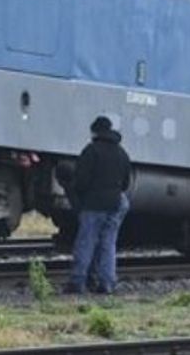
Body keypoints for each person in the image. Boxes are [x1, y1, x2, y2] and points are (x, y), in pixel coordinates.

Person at [63, 115, 131, 295]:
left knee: (86, 242)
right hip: (115, 202)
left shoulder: (91, 151)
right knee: (108, 243)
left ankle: (78, 282)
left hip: (93, 203)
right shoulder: (121, 153)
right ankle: (107, 283)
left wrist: (79, 193)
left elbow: (81, 181)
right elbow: (126, 183)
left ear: (95, 131)